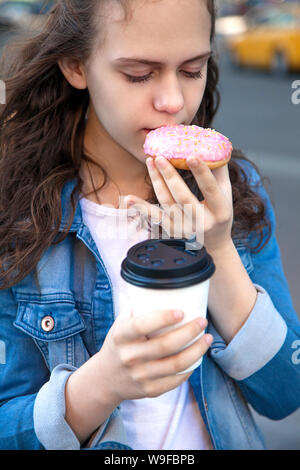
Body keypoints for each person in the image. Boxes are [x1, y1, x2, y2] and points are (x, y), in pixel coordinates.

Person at [0, 0, 299, 451]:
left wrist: (217, 248)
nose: (174, 102)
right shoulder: (17, 210)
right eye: (139, 73)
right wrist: (98, 387)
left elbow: (284, 392)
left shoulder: (235, 192)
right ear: (76, 65)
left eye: (192, 70)